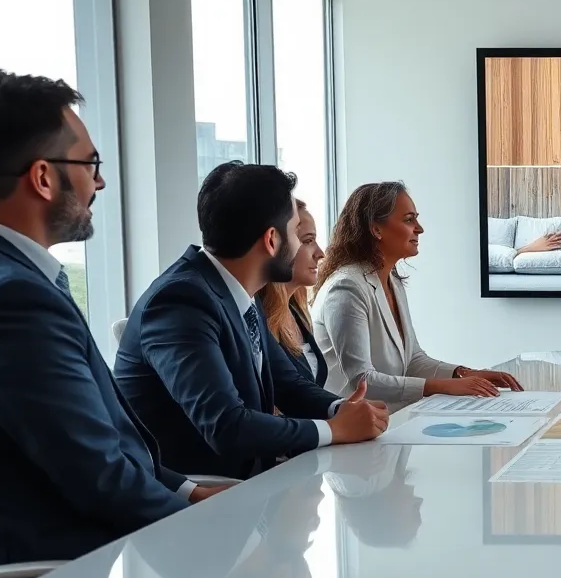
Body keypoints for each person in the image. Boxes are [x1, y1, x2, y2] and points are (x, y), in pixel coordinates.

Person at [0, 71, 218, 578]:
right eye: (90, 165)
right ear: (42, 177)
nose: (101, 184)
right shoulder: (14, 298)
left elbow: (101, 447)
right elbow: (99, 476)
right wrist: (218, 536)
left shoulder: (17, 279)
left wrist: (188, 495)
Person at [116, 162, 389, 481]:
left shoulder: (238, 290)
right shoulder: (181, 301)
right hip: (200, 496)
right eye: (296, 233)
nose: (309, 248)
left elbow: (288, 384)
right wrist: (331, 430)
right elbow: (226, 426)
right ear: (272, 240)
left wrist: (340, 409)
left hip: (247, 486)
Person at [312, 181, 522, 410]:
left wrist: (463, 373)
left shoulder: (391, 279)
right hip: (350, 427)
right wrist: (443, 386)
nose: (419, 228)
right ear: (376, 229)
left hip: (387, 421)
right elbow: (363, 381)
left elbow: (413, 360)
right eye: (409, 219)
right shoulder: (346, 288)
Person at [260, 199, 327, 387]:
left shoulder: (297, 310)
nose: (320, 253)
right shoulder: (258, 317)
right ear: (276, 243)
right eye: (307, 241)